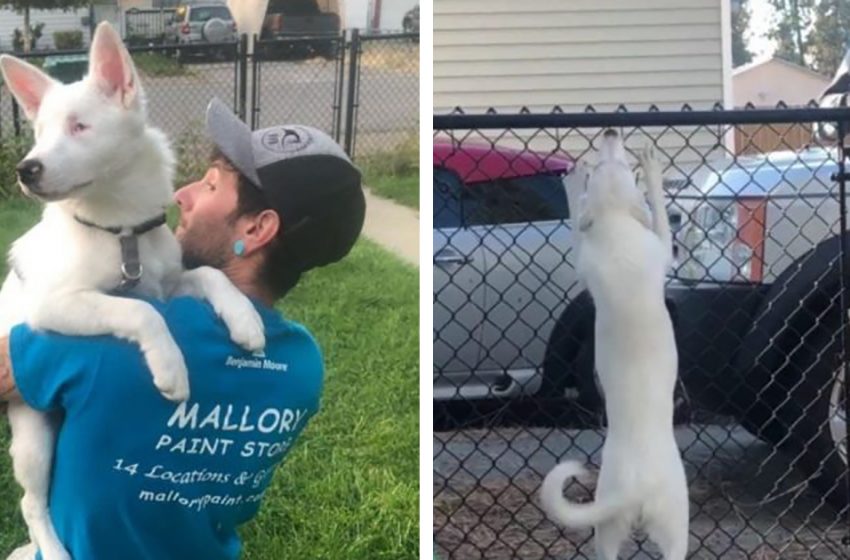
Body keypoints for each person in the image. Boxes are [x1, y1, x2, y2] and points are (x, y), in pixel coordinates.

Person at [0, 97, 366, 560]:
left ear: (256, 230)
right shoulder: (303, 366)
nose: (183, 194)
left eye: (211, 186)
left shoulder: (98, 340)